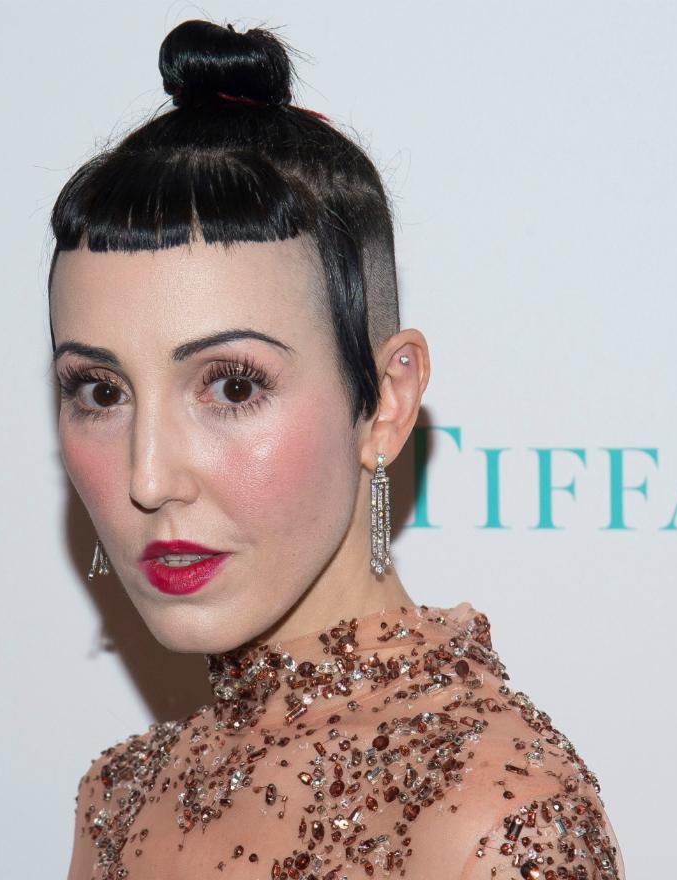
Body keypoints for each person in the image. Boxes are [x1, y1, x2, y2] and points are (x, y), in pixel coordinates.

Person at [48, 19, 625, 880]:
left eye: (232, 385)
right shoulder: (123, 802)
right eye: (101, 392)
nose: (149, 477)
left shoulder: (489, 818)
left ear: (386, 400)